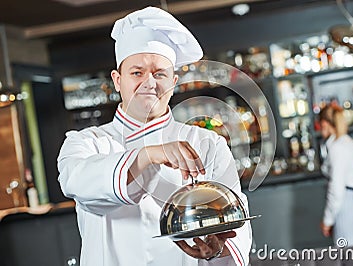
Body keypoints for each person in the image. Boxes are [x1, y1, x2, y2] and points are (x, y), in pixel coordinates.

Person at [57, 6, 252, 266]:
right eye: (137, 72)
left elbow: (235, 222)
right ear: (117, 80)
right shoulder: (86, 142)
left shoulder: (208, 144)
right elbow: (76, 183)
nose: (149, 83)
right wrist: (149, 155)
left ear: (173, 81)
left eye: (159, 73)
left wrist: (219, 249)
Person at [319, 103, 353, 246]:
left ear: (324, 124)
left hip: (346, 209)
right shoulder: (350, 144)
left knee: (349, 257)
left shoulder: (337, 148)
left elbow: (336, 189)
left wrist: (327, 220)